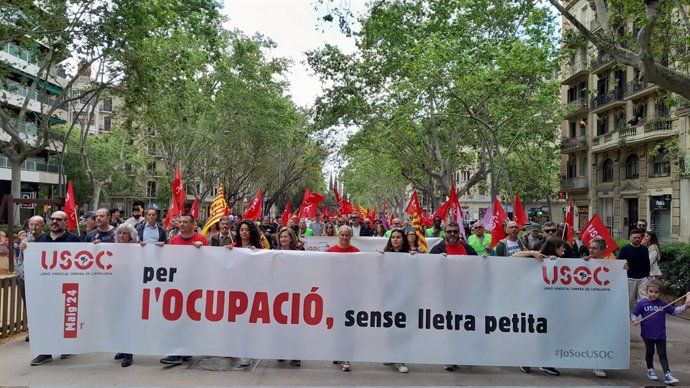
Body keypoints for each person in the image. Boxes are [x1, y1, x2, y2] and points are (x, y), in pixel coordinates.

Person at [24, 211, 80, 366]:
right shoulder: (41, 238)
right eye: (52, 219)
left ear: (66, 222)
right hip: (45, 288)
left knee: (65, 318)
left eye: (59, 219)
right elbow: (34, 260)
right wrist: (25, 249)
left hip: (67, 287)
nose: (54, 222)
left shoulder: (74, 239)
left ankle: (67, 346)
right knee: (44, 318)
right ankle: (45, 352)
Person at [160, 213, 206, 366]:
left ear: (193, 224)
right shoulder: (173, 240)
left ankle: (185, 351)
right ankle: (176, 352)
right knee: (176, 319)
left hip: (194, 287)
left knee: (189, 320)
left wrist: (202, 250)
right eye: (180, 222)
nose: (182, 224)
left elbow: (209, 261)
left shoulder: (201, 240)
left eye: (186, 222)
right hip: (177, 286)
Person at [631, 280, 688, 385]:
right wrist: (634, 320)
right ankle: (650, 369)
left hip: (661, 335)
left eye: (656, 292)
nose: (653, 294)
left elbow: (675, 311)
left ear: (660, 293)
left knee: (662, 354)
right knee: (650, 352)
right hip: (647, 334)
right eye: (651, 291)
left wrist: (685, 306)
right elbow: (633, 314)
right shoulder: (642, 303)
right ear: (647, 291)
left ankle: (667, 374)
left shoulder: (663, 304)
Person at [328, 225, 359, 371]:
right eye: (342, 235)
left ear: (351, 236)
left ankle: (346, 356)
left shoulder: (356, 252)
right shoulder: (330, 252)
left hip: (351, 295)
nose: (345, 238)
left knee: (348, 326)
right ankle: (338, 352)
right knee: (337, 326)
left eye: (347, 235)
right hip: (335, 295)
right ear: (338, 235)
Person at [380, 228, 411, 373]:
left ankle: (401, 358)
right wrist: (378, 258)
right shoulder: (385, 255)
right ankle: (392, 355)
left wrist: (416, 258)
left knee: (401, 327)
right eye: (393, 237)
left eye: (398, 237)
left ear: (403, 240)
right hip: (388, 296)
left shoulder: (411, 255)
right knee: (390, 327)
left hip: (404, 296)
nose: (395, 239)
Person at [584, 236, 613, 378]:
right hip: (588, 307)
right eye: (590, 247)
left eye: (594, 248)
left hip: (605, 306)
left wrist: (623, 268)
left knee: (602, 334)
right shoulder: (585, 262)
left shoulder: (612, 263)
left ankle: (599, 363)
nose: (591, 249)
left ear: (603, 250)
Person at [113, 223, 139, 367]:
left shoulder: (138, 249)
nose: (121, 236)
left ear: (131, 236)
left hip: (131, 290)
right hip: (116, 290)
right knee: (118, 321)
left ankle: (129, 353)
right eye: (119, 233)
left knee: (128, 321)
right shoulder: (111, 249)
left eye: (125, 233)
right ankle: (122, 348)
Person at [276, 227, 303, 367]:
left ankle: (295, 354)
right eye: (281, 237)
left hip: (295, 293)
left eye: (286, 237)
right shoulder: (274, 254)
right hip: (279, 293)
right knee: (280, 324)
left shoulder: (299, 254)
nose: (283, 239)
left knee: (294, 324)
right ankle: (281, 351)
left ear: (291, 238)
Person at [16, 216, 45, 343]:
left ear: (42, 226)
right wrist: (20, 274)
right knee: (29, 305)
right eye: (31, 225)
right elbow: (20, 260)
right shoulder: (25, 241)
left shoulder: (47, 240)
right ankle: (32, 331)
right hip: (25, 278)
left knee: (42, 305)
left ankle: (43, 330)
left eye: (36, 225)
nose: (33, 227)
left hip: (42, 279)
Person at [618, 228, 650, 310]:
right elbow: (618, 262)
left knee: (644, 298)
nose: (637, 239)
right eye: (635, 237)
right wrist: (623, 265)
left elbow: (647, 263)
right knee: (630, 300)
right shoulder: (624, 249)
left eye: (639, 237)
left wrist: (647, 275)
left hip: (643, 278)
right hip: (630, 278)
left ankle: (645, 317)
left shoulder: (644, 249)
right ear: (630, 238)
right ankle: (629, 316)